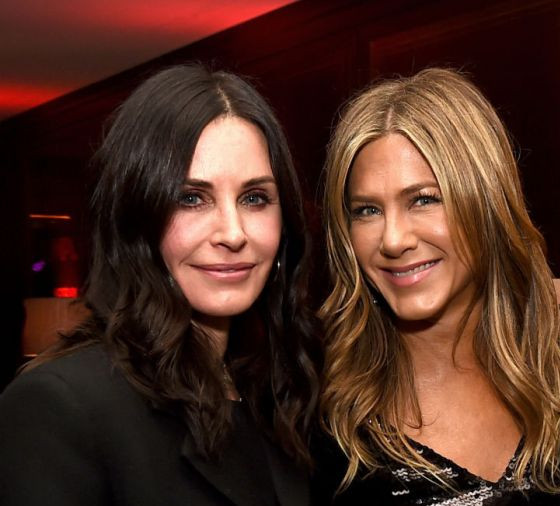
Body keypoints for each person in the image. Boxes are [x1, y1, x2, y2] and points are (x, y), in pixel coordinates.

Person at [0, 63, 320, 506]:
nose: (233, 233)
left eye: (254, 198)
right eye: (191, 198)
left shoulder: (280, 393)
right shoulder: (60, 405)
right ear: (137, 218)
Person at [315, 68, 560, 505]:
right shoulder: (317, 412)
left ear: (486, 204)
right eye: (367, 210)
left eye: (423, 199)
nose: (393, 240)